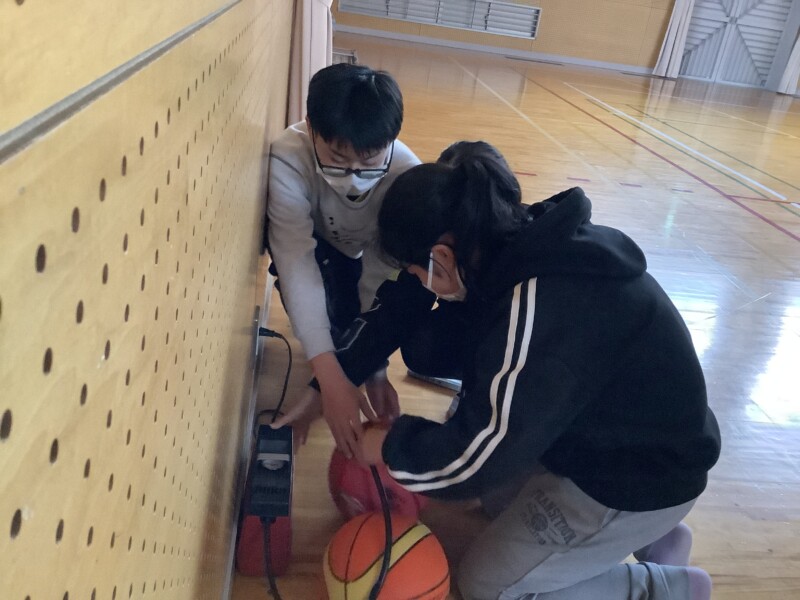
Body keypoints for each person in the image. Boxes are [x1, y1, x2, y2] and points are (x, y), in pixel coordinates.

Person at [309, 140, 722, 599]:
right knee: (495, 500)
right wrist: (334, 377)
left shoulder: (539, 311)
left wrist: (390, 446)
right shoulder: (501, 239)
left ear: (441, 257)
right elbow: (404, 302)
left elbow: (475, 460)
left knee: (487, 586)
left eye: (415, 269)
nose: (416, 280)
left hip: (638, 476)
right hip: (598, 434)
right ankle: (656, 542)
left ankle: (665, 588)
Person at [266, 63, 422, 457]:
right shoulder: (288, 157)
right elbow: (296, 263)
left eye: (369, 163)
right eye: (336, 157)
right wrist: (329, 376)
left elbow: (381, 275)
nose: (352, 176)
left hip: (366, 258)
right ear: (310, 128)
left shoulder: (406, 176)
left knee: (372, 313)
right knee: (327, 330)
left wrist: (374, 368)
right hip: (322, 251)